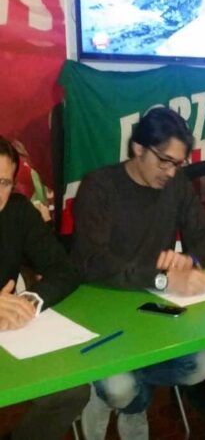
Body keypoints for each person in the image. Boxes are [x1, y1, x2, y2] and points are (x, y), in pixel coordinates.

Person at [71, 107, 205, 439]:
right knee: (120, 387)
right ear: (138, 148)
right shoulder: (99, 186)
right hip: (102, 309)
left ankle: (114, 398)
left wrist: (189, 259)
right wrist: (163, 279)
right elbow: (94, 262)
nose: (170, 172)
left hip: (154, 309)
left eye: (178, 163)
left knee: (203, 365)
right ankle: (126, 402)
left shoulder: (176, 185)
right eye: (164, 161)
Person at [0, 136, 89, 440]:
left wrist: (27, 300)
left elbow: (64, 270)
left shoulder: (17, 212)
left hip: (9, 334)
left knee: (71, 392)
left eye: (3, 183)